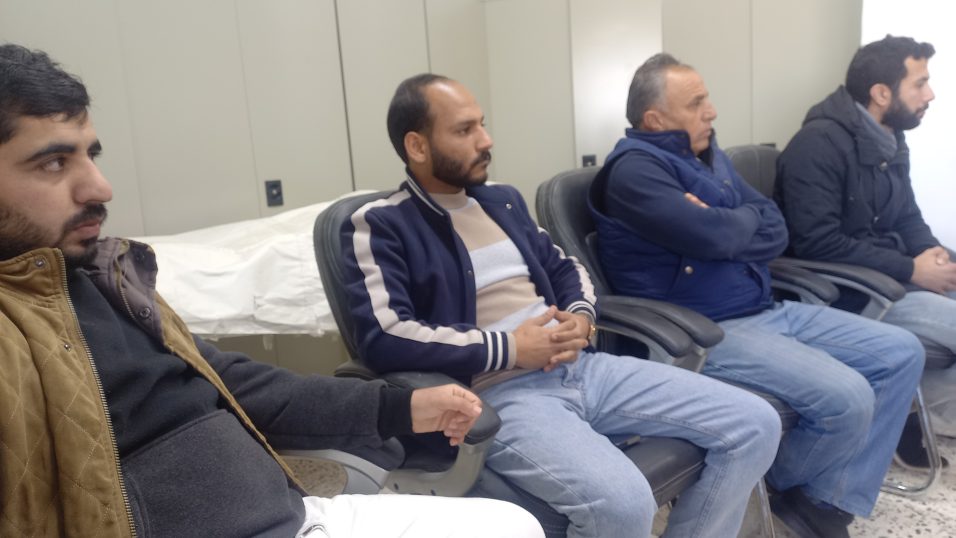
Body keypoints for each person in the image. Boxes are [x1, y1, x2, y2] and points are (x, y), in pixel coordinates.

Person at [0, 43, 545, 538]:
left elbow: (237, 383)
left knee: (514, 525)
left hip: (291, 513)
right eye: (54, 162)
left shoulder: (105, 280)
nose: (100, 188)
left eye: (91, 156)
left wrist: (400, 407)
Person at [340, 72, 782, 538]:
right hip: (500, 394)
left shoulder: (502, 202)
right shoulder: (381, 224)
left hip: (581, 367)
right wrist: (512, 348)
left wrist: (581, 318)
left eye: (482, 124)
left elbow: (566, 268)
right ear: (417, 145)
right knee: (625, 504)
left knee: (755, 424)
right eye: (465, 130)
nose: (486, 140)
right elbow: (384, 335)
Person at [588, 53, 925, 538]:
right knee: (848, 396)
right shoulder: (635, 171)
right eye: (696, 103)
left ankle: (817, 502)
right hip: (706, 328)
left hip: (764, 306)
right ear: (655, 119)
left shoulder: (707, 156)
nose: (711, 111)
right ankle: (801, 498)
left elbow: (775, 227)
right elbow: (715, 237)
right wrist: (733, 222)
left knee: (901, 352)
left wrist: (727, 220)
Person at [775, 35, 956, 463]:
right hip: (850, 292)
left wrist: (936, 257)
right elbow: (817, 243)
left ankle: (914, 419)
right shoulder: (816, 145)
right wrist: (911, 269)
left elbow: (907, 216)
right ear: (881, 93)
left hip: (890, 277)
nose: (930, 94)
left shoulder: (889, 136)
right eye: (920, 84)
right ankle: (912, 421)